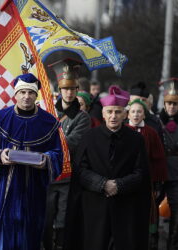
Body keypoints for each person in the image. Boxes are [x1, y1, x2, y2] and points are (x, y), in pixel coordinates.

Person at [0, 73, 63, 250]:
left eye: (31, 93)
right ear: (15, 94)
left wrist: (47, 160)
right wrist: (0, 155)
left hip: (33, 189)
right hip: (4, 188)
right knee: (2, 235)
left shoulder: (49, 123)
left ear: (36, 95)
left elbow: (58, 154)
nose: (26, 96)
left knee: (29, 235)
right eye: (23, 92)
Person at [64, 85, 151, 250]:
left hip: (126, 205)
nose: (113, 116)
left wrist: (119, 185)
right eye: (109, 112)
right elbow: (81, 170)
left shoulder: (136, 140)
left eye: (118, 112)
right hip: (94, 205)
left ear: (125, 114)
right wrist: (102, 184)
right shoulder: (89, 137)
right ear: (103, 114)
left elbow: (141, 172)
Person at [45, 58, 91, 249]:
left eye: (73, 89)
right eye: (65, 89)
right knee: (46, 218)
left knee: (63, 219)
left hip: (68, 174)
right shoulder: (47, 111)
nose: (69, 92)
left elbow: (72, 143)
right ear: (60, 90)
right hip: (46, 173)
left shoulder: (83, 117)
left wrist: (49, 140)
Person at [126, 98, 167, 250]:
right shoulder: (123, 131)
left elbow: (158, 159)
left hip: (146, 180)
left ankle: (148, 242)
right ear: (128, 114)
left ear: (144, 115)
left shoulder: (151, 133)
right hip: (126, 181)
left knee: (146, 213)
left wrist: (156, 183)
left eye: (139, 112)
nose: (136, 115)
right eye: (133, 112)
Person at [159, 78, 178, 250]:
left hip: (176, 174)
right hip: (158, 171)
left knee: (176, 213)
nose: (171, 107)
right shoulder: (156, 121)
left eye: (174, 103)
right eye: (168, 103)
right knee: (150, 211)